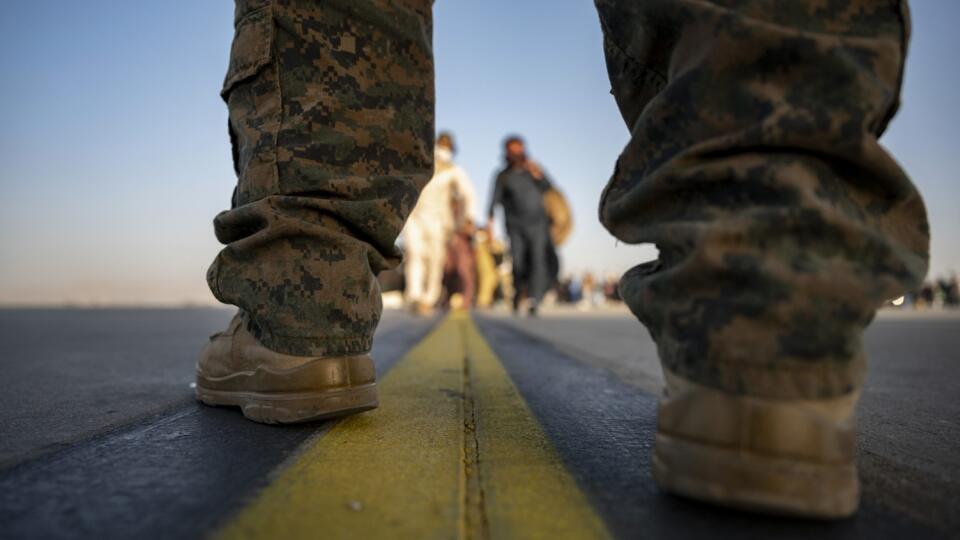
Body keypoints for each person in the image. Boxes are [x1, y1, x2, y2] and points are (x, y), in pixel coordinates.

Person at [196, 0, 928, 519]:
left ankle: (303, 312)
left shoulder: (530, 173)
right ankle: (765, 312)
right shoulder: (507, 174)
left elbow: (529, 207)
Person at [401, 131, 477, 315]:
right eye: (440, 144)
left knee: (435, 259)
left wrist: (467, 218)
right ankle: (414, 295)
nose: (442, 149)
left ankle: (429, 297)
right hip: (414, 218)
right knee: (414, 253)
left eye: (446, 146)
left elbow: (468, 195)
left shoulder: (454, 171)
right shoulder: (420, 165)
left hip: (439, 222)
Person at [487, 136, 557, 316]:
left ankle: (535, 298)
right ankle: (519, 292)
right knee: (518, 261)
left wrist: (537, 174)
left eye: (520, 149)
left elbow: (549, 188)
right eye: (513, 150)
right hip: (515, 226)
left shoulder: (533, 171)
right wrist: (490, 225)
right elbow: (493, 201)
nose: (517, 153)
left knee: (537, 259)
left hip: (538, 224)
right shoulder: (502, 176)